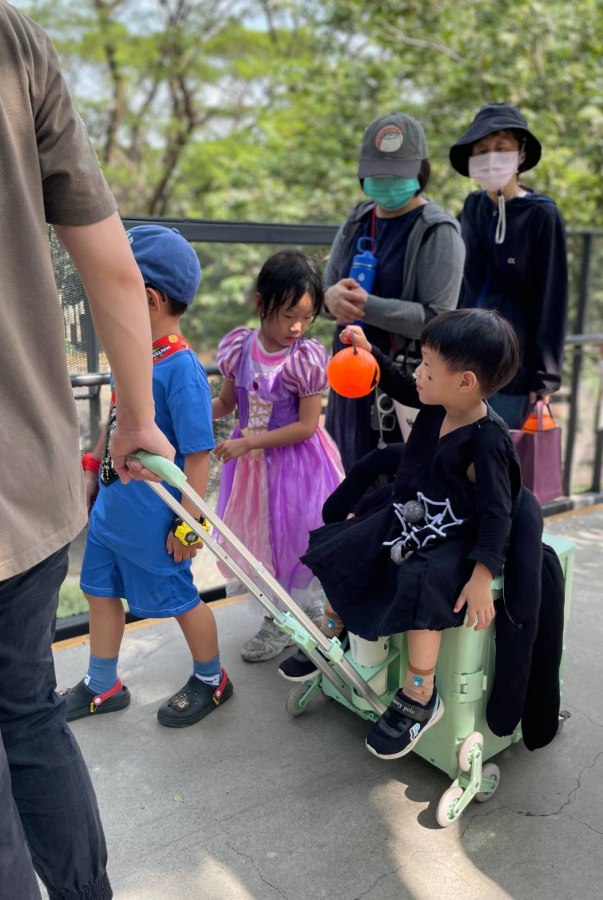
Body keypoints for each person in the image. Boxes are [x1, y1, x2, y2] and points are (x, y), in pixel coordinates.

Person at [0, 6, 174, 900]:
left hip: (54, 500)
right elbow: (111, 264)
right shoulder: (12, 38)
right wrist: (133, 419)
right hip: (30, 485)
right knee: (27, 711)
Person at [279, 308, 522, 760]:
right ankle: (336, 632)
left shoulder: (487, 441)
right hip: (409, 512)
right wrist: (370, 352)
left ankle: (419, 692)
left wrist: (483, 574)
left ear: (465, 381)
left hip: (452, 534)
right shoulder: (438, 401)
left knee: (421, 584)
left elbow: (497, 514)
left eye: (428, 366)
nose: (419, 375)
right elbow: (399, 384)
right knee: (348, 543)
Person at [62, 225, 233, 728]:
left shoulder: (181, 371)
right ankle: (103, 682)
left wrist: (189, 525)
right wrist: (94, 464)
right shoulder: (133, 353)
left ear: (149, 298)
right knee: (99, 590)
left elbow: (199, 455)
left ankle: (211, 678)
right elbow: (117, 416)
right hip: (114, 511)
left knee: (180, 598)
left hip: (155, 521)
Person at [213, 250, 345, 662]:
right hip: (252, 470)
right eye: (289, 314)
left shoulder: (305, 358)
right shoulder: (240, 348)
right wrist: (182, 413)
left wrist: (249, 442)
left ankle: (288, 620)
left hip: (298, 467)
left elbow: (307, 426)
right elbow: (226, 403)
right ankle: (284, 615)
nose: (297, 326)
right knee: (259, 542)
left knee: (292, 542)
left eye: (306, 317)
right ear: (260, 303)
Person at [323, 112, 466, 471]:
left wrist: (364, 307)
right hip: (348, 382)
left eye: (396, 173)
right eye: (377, 172)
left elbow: (437, 318)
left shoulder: (437, 231)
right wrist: (330, 299)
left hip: (403, 386)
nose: (385, 180)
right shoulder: (358, 219)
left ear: (420, 171)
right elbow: (327, 290)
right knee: (346, 477)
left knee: (394, 485)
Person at [449, 103, 569, 429]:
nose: (491, 157)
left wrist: (543, 382)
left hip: (511, 371)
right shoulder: (472, 206)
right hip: (460, 360)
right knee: (452, 464)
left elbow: (551, 298)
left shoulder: (541, 215)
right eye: (482, 149)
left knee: (498, 466)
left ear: (521, 154)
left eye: (501, 148)